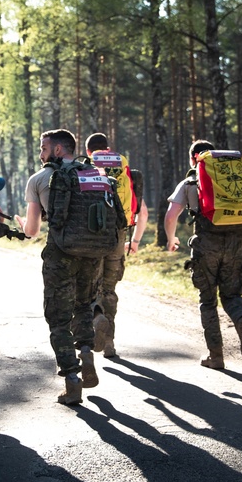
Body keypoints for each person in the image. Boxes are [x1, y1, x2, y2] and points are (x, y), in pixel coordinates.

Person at [19, 128, 102, 406]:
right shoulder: (94, 174)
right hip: (92, 253)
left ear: (57, 150)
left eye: (43, 149)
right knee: (84, 306)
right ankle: (87, 349)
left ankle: (72, 381)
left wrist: (22, 226)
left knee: (58, 319)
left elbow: (32, 230)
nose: (40, 154)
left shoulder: (40, 178)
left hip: (60, 254)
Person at [164, 139, 242, 370]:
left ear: (193, 158)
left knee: (208, 301)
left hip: (206, 245)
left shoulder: (190, 182)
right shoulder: (233, 175)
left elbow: (171, 215)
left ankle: (216, 356)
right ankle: (241, 320)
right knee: (232, 294)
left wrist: (171, 238)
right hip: (237, 242)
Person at [83, 133, 149, 358]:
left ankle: (96, 317)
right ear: (108, 149)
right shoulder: (124, 171)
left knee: (89, 289)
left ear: (89, 152)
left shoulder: (84, 167)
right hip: (118, 235)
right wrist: (136, 241)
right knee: (109, 289)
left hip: (91, 236)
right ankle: (109, 342)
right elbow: (142, 212)